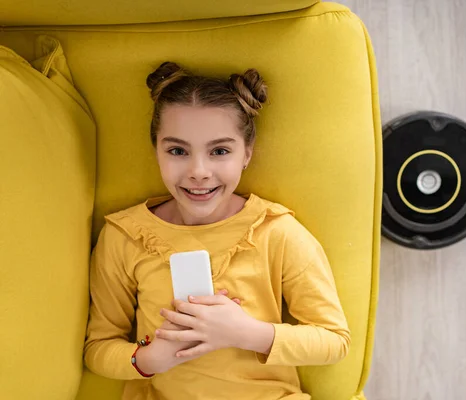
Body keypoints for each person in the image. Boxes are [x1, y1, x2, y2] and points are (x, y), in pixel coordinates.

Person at [83, 61, 351, 400]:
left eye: (220, 151)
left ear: (246, 154)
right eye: (178, 151)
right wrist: (150, 358)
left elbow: (334, 341)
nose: (199, 171)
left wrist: (245, 332)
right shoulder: (125, 236)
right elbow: (98, 349)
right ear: (157, 151)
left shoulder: (277, 232)